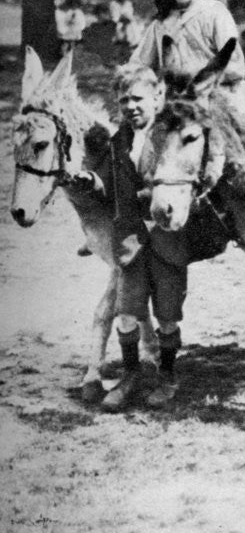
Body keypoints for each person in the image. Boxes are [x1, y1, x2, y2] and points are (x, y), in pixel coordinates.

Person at [68, 64, 190, 411]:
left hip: (167, 239)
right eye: (123, 101)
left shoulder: (172, 134)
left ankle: (167, 376)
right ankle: (132, 373)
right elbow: (106, 180)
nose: (131, 106)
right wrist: (91, 181)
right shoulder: (118, 140)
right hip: (131, 242)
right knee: (127, 312)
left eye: (137, 98)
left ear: (157, 97)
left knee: (167, 315)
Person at [131, 0, 245, 117]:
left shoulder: (214, 12)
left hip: (218, 97)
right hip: (175, 101)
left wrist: (194, 77)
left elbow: (235, 67)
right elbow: (139, 65)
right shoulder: (161, 24)